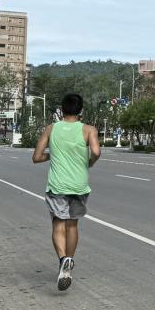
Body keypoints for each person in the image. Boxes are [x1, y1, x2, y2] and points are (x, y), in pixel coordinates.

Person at [32, 93, 101, 290]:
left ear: (62, 109)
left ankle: (63, 259)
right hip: (79, 186)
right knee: (72, 225)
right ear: (80, 110)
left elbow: (36, 157)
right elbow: (96, 152)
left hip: (57, 185)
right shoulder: (89, 130)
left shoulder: (51, 129)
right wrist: (89, 162)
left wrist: (52, 156)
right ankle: (69, 262)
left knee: (58, 225)